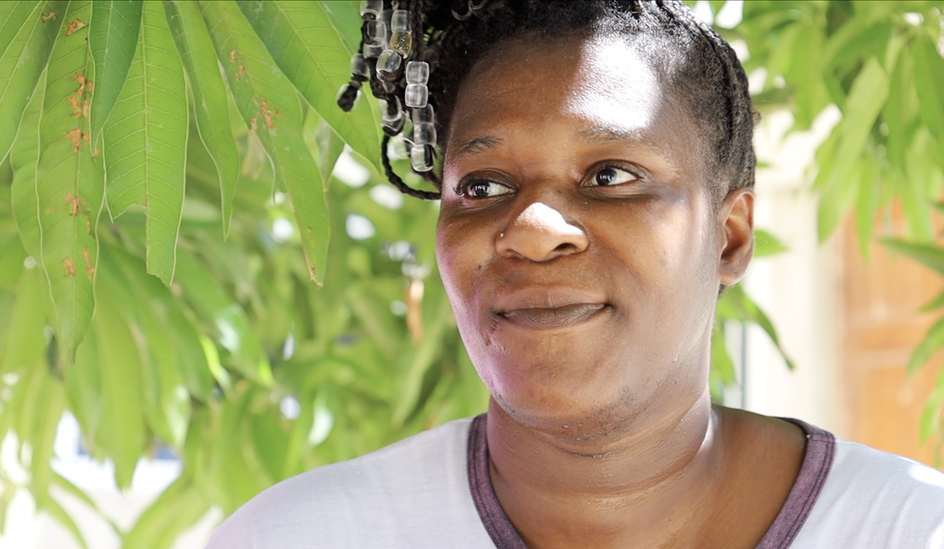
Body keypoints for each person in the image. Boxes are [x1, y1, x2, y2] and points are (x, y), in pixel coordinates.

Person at [206, 1, 944, 547]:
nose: (530, 230)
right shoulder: (307, 534)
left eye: (610, 174)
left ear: (730, 234)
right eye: (484, 186)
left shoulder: (906, 528)